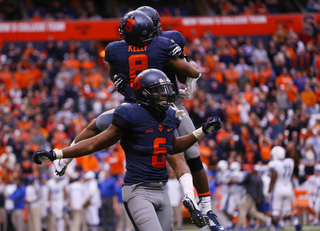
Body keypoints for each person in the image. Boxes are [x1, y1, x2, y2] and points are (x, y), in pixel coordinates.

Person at [53, 7, 223, 230]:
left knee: (95, 126)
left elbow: (114, 76)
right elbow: (189, 73)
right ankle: (205, 206)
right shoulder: (166, 43)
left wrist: (118, 82)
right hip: (168, 106)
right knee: (189, 155)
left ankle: (64, 159)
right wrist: (188, 63)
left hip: (133, 109)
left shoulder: (115, 49)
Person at [33, 68, 223, 231]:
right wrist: (57, 154)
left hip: (161, 190)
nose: (165, 97)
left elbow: (174, 146)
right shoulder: (130, 115)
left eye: (166, 92)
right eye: (159, 92)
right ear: (146, 94)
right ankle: (197, 200)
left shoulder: (169, 116)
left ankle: (192, 197)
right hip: (138, 190)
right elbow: (94, 143)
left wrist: (202, 131)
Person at [267, 146, 302, 231]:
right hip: (288, 188)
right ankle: (297, 224)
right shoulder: (290, 162)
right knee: (287, 212)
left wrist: (268, 192)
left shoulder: (274, 164)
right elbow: (291, 177)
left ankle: (274, 229)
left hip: (278, 188)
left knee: (275, 211)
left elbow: (273, 179)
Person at [237, 164, 271, 230]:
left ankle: (242, 226)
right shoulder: (258, 177)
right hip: (253, 197)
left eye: (248, 169)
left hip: (248, 196)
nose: (246, 170)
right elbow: (260, 189)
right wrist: (259, 197)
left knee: (242, 210)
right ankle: (267, 220)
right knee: (253, 212)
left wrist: (235, 181)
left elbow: (242, 183)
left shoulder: (250, 176)